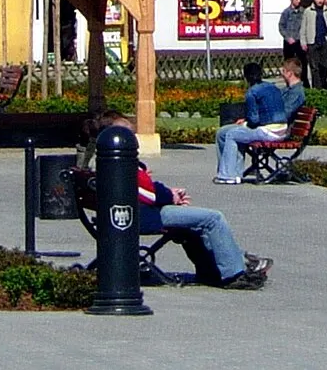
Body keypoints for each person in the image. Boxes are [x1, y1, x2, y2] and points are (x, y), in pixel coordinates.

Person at [91, 114, 270, 289]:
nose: (133, 139)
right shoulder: (120, 163)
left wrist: (167, 192)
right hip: (143, 216)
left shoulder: (108, 160)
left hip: (137, 212)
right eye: (129, 134)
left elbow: (146, 189)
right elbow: (148, 195)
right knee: (213, 218)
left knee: (197, 223)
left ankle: (214, 269)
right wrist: (170, 196)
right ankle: (235, 272)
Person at [214, 55, 305, 184]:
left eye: (283, 71)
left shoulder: (296, 93)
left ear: (290, 73)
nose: (280, 73)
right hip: (268, 126)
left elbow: (281, 115)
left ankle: (228, 174)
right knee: (222, 132)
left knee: (232, 134)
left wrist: (249, 122)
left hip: (275, 129)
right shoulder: (281, 89)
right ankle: (231, 172)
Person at [305, 0, 327, 91]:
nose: (319, 1)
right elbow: (303, 27)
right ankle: (317, 88)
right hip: (312, 41)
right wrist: (303, 41)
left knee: (325, 65)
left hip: (324, 41)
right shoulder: (308, 11)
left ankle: (323, 83)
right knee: (314, 67)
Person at [277, 0, 307, 67]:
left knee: (303, 62)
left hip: (300, 40)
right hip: (289, 41)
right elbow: (281, 26)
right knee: (289, 62)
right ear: (291, 0)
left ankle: (303, 78)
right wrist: (287, 38)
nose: (299, 1)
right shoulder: (286, 12)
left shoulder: (303, 11)